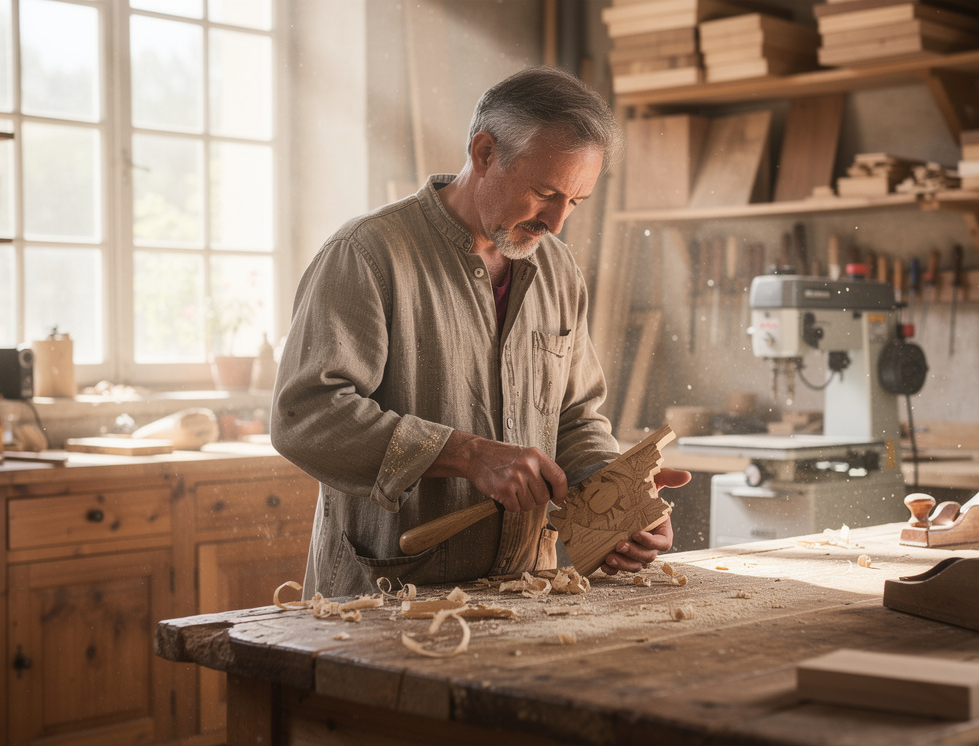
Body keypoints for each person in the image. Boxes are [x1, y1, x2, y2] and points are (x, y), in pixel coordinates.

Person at [272, 66, 690, 599]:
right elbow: (304, 416)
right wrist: (468, 455)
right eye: (544, 193)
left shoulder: (556, 269)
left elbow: (576, 417)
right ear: (485, 153)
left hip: (527, 594)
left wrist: (619, 497)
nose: (557, 223)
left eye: (575, 202)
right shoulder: (368, 254)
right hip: (388, 598)